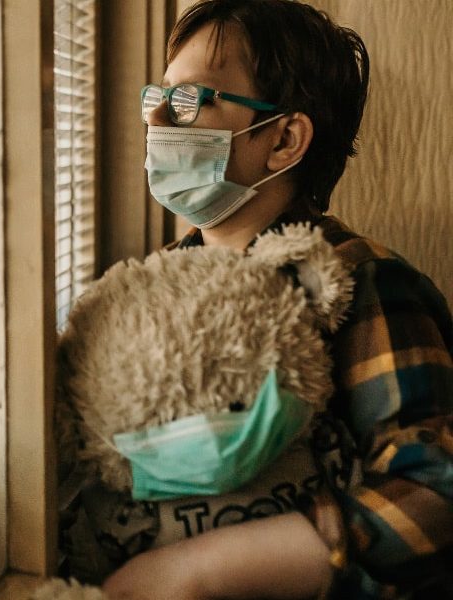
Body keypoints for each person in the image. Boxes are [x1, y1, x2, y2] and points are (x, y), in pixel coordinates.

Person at [100, 1, 453, 598]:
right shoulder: (156, 287)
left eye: (190, 100)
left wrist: (200, 569)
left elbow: (436, 497)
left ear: (285, 138)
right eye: (155, 96)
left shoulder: (364, 286)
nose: (156, 116)